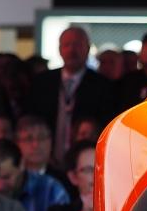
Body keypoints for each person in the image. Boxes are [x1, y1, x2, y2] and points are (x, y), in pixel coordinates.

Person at [23, 27, 117, 165]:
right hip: (47, 157)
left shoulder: (103, 85)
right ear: (60, 49)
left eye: (77, 45)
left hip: (85, 159)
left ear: (88, 49)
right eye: (67, 45)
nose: (72, 50)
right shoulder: (42, 82)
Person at [15, 114, 74, 197]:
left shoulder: (64, 182)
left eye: (42, 138)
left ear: (51, 142)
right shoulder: (11, 180)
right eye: (29, 139)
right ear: (17, 143)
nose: (35, 145)